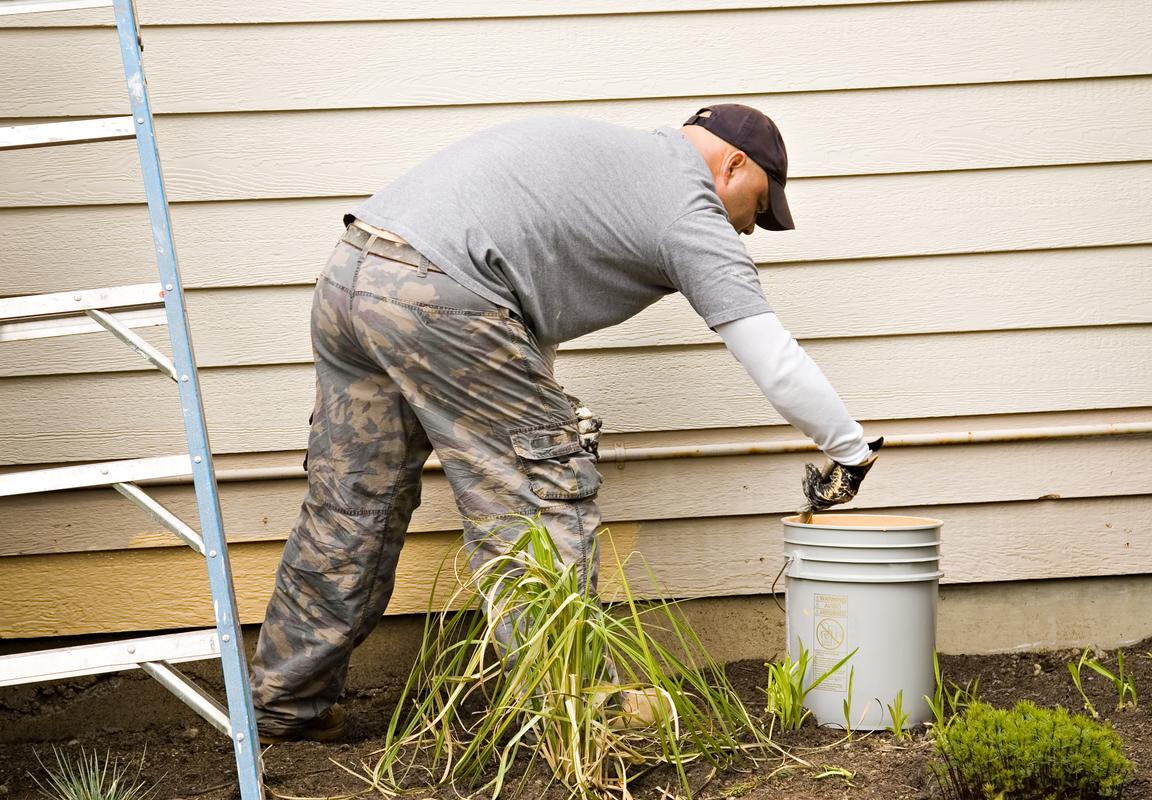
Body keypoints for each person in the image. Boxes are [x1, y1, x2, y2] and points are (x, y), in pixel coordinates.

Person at [250, 104, 882, 743]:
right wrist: (851, 449)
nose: (752, 227)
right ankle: (577, 714)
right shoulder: (690, 211)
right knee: (540, 496)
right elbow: (774, 361)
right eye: (761, 206)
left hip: (354, 269)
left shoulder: (612, 158)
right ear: (733, 164)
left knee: (353, 502)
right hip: (437, 293)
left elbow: (515, 298)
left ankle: (286, 698)